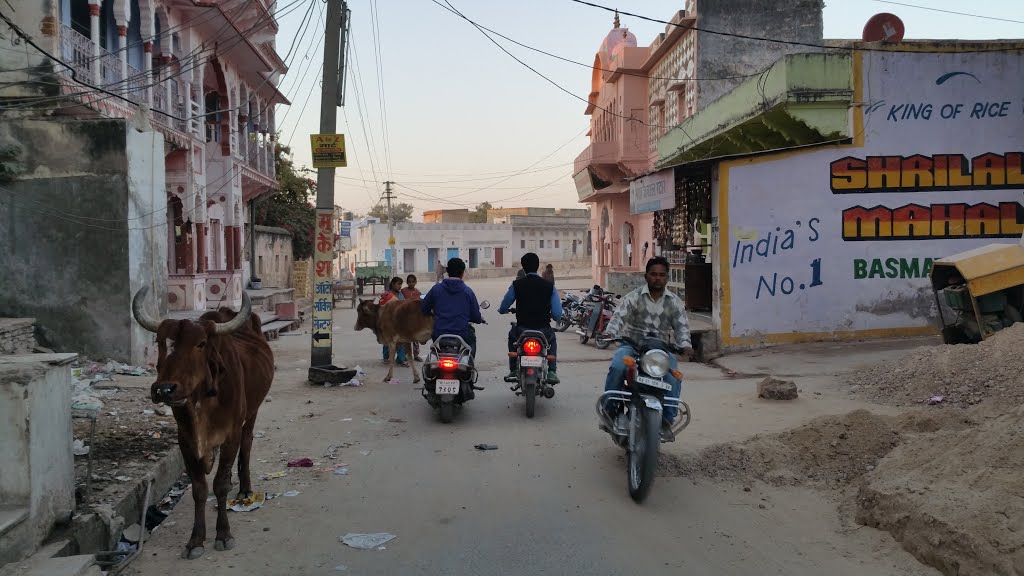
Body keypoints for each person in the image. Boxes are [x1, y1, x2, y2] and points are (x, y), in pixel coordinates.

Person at [601, 256, 692, 437]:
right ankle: (608, 411)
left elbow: (682, 327)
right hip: (632, 348)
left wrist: (685, 345)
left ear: (667, 277)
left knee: (674, 377)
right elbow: (619, 317)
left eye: (662, 275)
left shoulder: (674, 302)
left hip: (660, 353)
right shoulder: (633, 298)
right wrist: (610, 332)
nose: (657, 278)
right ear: (646, 276)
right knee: (618, 366)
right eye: (653, 274)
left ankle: (666, 421)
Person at [498, 253, 563, 384]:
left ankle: (514, 369)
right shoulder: (549, 286)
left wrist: (503, 310)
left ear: (523, 267)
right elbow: (557, 314)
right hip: (543, 329)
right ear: (538, 266)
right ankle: (551, 371)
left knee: (512, 337)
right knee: (552, 340)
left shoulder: (517, 285)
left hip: (522, 330)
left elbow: (504, 306)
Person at [420, 258, 484, 359]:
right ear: (462, 272)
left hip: (439, 333)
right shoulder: (468, 292)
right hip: (462, 333)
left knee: (435, 351)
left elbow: (424, 309)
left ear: (447, 271)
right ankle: (470, 362)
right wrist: (479, 319)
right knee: (471, 338)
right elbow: (476, 316)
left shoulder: (436, 289)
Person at [378, 277, 408, 366]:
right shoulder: (387, 295)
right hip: (388, 321)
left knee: (400, 340)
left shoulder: (401, 295)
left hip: (399, 321)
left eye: (401, 284)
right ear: (393, 284)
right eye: (398, 284)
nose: (400, 286)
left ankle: (401, 359)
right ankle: (386, 357)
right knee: (387, 340)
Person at [401, 274, 423, 361]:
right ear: (407, 282)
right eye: (409, 282)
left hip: (415, 318)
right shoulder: (403, 291)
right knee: (406, 337)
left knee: (415, 338)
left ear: (416, 282)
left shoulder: (418, 292)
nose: (411, 283)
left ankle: (416, 354)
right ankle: (405, 355)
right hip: (405, 318)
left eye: (413, 282)